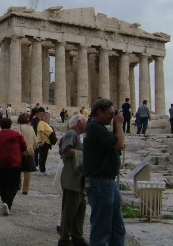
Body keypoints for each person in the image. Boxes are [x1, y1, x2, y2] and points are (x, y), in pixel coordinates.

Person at [83, 98, 125, 246]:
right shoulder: (94, 128)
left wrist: (115, 127)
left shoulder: (99, 128)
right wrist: (119, 124)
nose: (112, 116)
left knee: (117, 227)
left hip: (107, 182)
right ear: (99, 112)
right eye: (110, 113)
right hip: (100, 183)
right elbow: (119, 144)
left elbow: (115, 144)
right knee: (102, 229)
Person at [0, 117, 27, 215]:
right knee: (14, 184)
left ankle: (5, 202)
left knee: (2, 184)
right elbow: (24, 147)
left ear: (0, 125)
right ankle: (7, 203)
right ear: (10, 125)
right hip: (14, 163)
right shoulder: (16, 134)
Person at [58, 114, 89, 246]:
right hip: (72, 178)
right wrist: (86, 154)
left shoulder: (77, 135)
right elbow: (66, 151)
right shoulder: (71, 134)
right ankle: (64, 239)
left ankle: (77, 236)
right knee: (69, 211)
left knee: (80, 209)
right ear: (79, 123)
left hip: (78, 179)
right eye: (85, 122)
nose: (87, 125)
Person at [17, 113, 37, 195]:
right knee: (27, 172)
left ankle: (18, 185)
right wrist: (33, 149)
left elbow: (18, 139)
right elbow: (35, 141)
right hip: (30, 151)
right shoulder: (31, 129)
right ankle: (25, 190)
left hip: (20, 151)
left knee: (17, 169)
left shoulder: (20, 128)